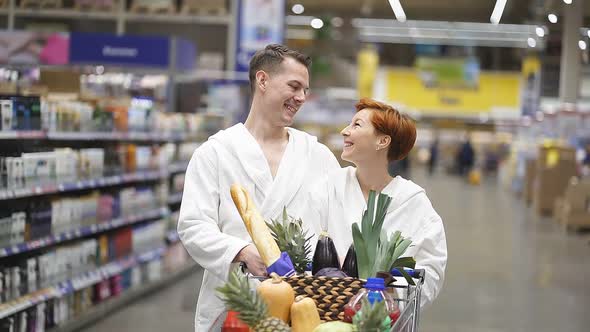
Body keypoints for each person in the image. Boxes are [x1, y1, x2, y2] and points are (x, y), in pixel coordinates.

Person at [177, 44, 340, 331]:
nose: (301, 97)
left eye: (305, 89)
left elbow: (339, 225)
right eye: (294, 86)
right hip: (233, 307)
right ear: (262, 80)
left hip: (301, 307)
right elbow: (192, 226)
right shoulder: (216, 152)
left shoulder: (318, 155)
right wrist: (241, 251)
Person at [307, 98, 447, 309]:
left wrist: (386, 291)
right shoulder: (329, 188)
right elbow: (305, 246)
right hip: (327, 313)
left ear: (382, 141)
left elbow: (432, 270)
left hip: (386, 320)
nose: (345, 131)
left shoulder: (413, 202)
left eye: (357, 125)